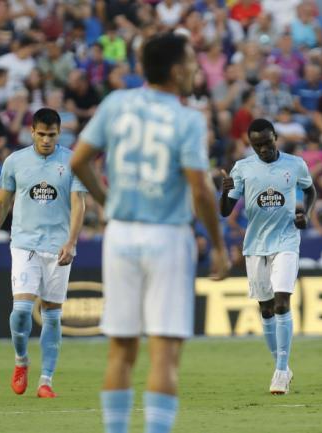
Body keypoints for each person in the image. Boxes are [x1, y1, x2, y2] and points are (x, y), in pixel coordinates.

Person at [70, 33, 230, 433]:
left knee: (120, 351)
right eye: (192, 60)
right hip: (167, 236)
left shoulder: (116, 103)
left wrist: (108, 203)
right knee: (164, 353)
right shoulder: (188, 118)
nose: (195, 67)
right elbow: (200, 189)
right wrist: (219, 246)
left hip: (120, 235)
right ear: (176, 70)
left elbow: (78, 161)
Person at [0, 108, 87, 399]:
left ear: (58, 133)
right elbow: (1, 205)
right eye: (41, 134)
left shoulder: (72, 161)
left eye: (52, 135)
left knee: (52, 317)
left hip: (58, 247)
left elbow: (79, 205)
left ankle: (46, 381)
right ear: (32, 132)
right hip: (24, 244)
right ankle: (21, 361)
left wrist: (72, 241)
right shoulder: (15, 161)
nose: (47, 140)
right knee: (22, 311)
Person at [219, 118, 317, 395]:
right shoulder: (243, 168)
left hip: (286, 240)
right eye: (257, 145)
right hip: (255, 245)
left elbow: (310, 190)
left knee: (282, 302)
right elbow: (226, 211)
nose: (263, 149)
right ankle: (282, 367)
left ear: (276, 137)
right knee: (266, 309)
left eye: (267, 142)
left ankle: (280, 372)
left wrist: (305, 214)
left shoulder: (294, 163)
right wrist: (224, 191)